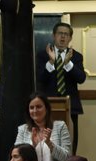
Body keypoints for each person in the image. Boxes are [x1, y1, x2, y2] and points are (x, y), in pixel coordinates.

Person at [36, 22, 86, 152]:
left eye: (66, 34)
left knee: (70, 143)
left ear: (70, 38)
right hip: (48, 106)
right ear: (54, 35)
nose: (63, 37)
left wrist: (68, 64)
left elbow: (81, 79)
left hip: (71, 107)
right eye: (60, 33)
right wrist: (51, 62)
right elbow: (39, 79)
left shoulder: (76, 56)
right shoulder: (43, 55)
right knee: (48, 142)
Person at [15, 93, 71, 161]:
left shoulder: (60, 126)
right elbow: (17, 160)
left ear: (47, 109)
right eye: (31, 108)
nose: (35, 110)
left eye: (38, 107)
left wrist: (49, 144)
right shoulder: (23, 130)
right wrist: (32, 147)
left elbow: (66, 158)